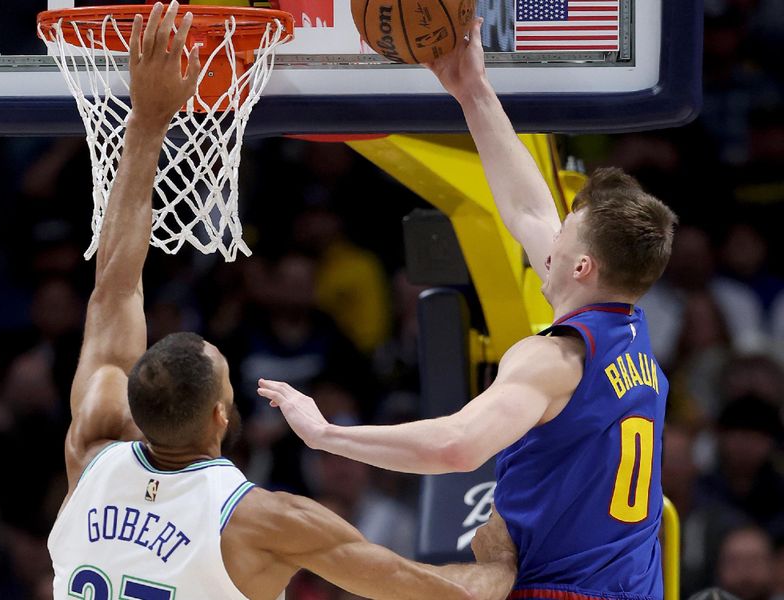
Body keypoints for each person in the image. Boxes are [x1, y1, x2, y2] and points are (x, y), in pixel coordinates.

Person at [48, 4, 518, 600]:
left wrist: (146, 118)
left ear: (133, 408)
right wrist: (504, 567)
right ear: (222, 416)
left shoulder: (91, 454)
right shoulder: (263, 522)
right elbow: (422, 587)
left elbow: (114, 285)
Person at [258, 17, 679, 600]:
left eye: (565, 238)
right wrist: (471, 89)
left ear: (581, 268)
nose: (548, 240)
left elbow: (456, 447)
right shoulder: (630, 330)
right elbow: (529, 210)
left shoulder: (553, 359)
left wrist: (329, 435)